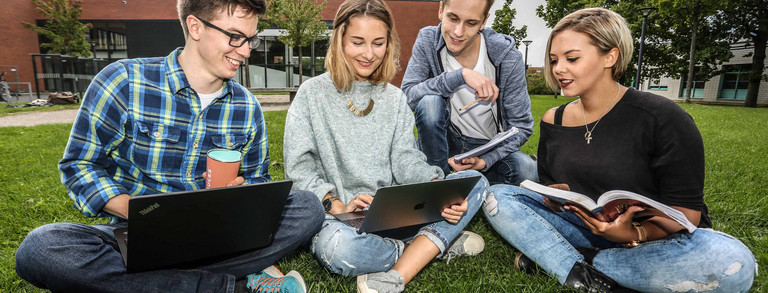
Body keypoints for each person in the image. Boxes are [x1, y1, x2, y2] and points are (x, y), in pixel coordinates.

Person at [14, 0, 324, 292]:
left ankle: (155, 283)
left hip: (217, 234)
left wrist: (238, 196)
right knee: (41, 248)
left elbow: (259, 183)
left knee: (307, 208)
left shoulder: (247, 106)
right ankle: (232, 284)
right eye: (234, 37)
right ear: (195, 27)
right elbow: (79, 165)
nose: (244, 51)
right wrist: (137, 212)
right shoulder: (124, 81)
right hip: (135, 233)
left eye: (250, 40)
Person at [484, 8, 756, 293]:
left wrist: (635, 232)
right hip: (587, 228)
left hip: (660, 241)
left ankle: (570, 263)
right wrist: (554, 198)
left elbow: (687, 214)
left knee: (733, 263)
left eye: (572, 58)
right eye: (554, 60)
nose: (558, 69)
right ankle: (600, 276)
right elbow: (553, 186)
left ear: (610, 57)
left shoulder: (661, 116)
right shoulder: (554, 119)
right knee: (499, 196)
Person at [282, 0, 489, 292]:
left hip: (396, 213)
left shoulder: (394, 98)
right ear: (339, 40)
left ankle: (419, 242)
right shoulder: (311, 94)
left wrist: (435, 187)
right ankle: (429, 246)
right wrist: (337, 205)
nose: (369, 54)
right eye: (358, 42)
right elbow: (300, 170)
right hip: (339, 220)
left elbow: (406, 160)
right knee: (340, 250)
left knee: (476, 181)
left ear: (388, 44)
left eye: (378, 43)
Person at [401, 0, 537, 185]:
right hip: (443, 143)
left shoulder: (508, 57)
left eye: (471, 23)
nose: (458, 32)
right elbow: (407, 97)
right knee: (429, 102)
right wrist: (459, 76)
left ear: (483, 22)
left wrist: (485, 160)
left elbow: (521, 126)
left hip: (487, 147)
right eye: (453, 18)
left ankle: (472, 181)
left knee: (527, 170)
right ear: (441, 10)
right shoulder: (427, 40)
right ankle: (437, 182)